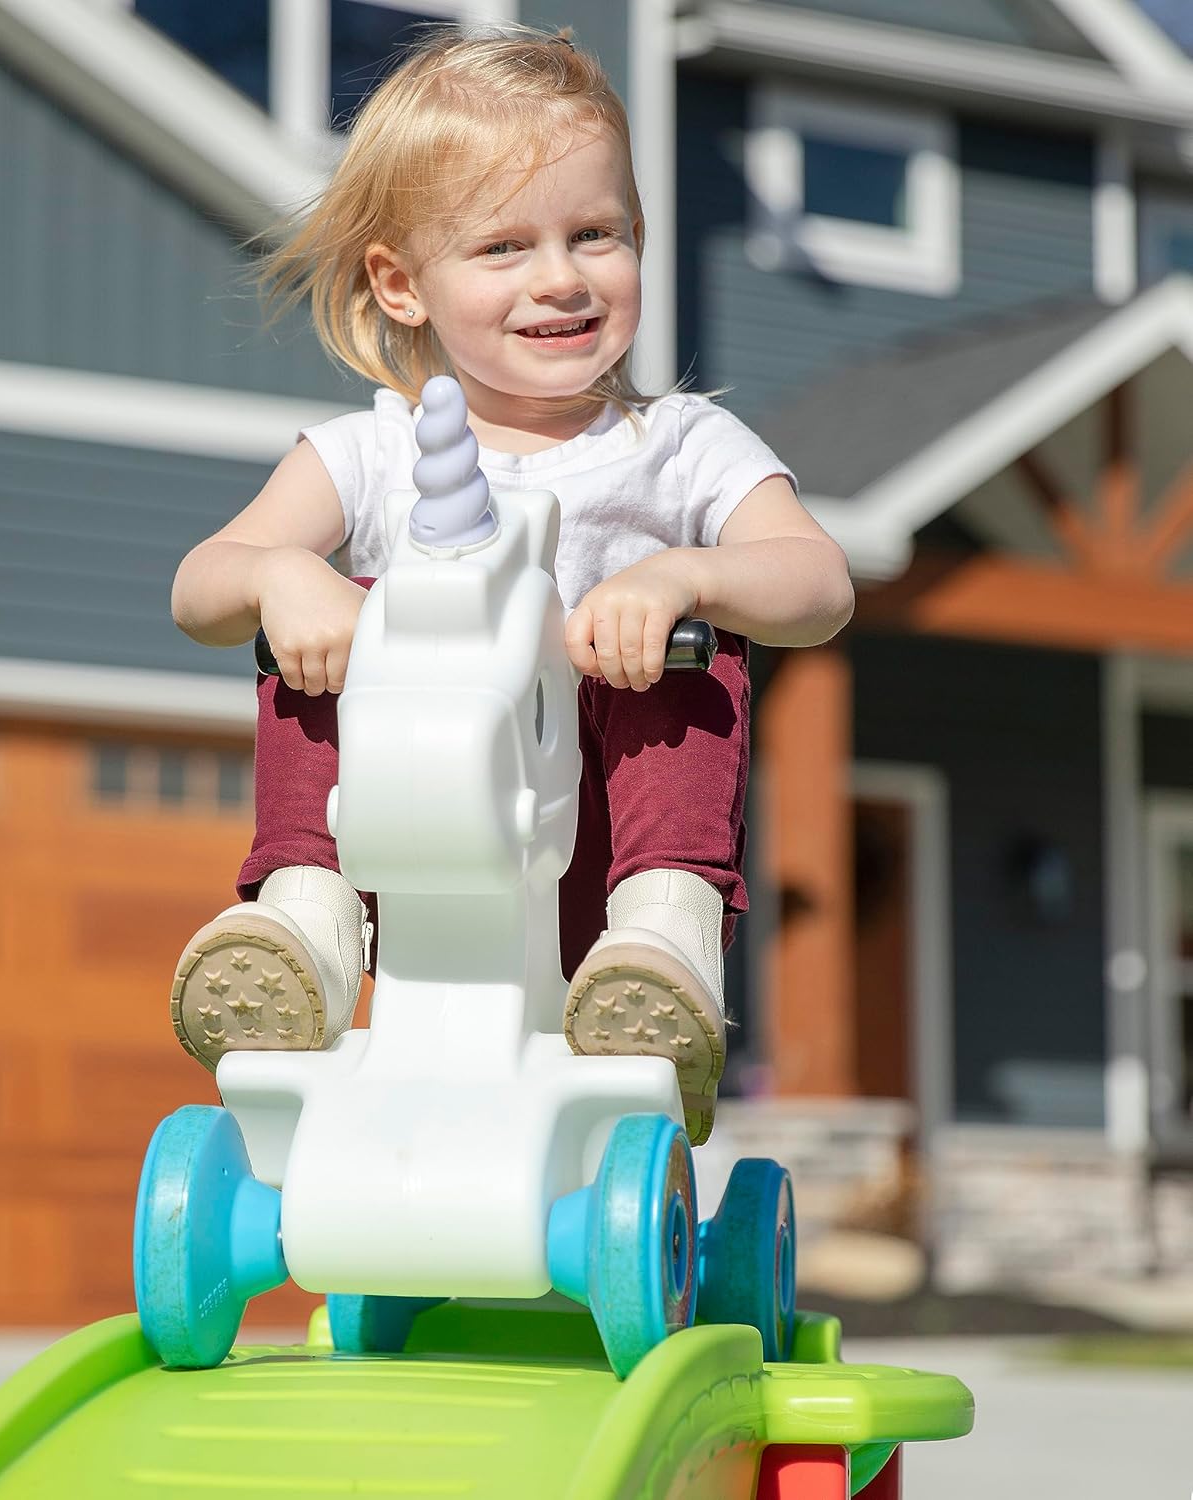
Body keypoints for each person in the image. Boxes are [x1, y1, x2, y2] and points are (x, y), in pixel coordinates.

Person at [168, 26, 853, 1143]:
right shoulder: (372, 452)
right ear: (402, 285)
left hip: (605, 829)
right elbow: (202, 586)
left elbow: (818, 582)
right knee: (315, 635)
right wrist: (285, 575)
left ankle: (666, 931)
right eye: (503, 248)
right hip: (417, 833)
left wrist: (685, 571)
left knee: (690, 633)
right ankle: (310, 918)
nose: (562, 279)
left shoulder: (679, 445)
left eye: (597, 234)